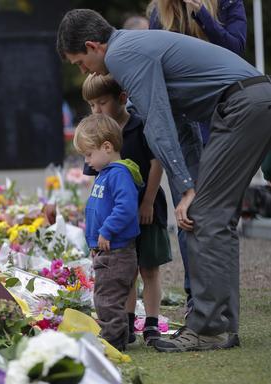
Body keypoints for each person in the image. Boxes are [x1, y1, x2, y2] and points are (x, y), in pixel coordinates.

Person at [57, 9, 271, 352]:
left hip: (241, 105)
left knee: (204, 215)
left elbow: (157, 122)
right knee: (215, 217)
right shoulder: (134, 46)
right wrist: (192, 183)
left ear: (92, 45)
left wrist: (187, 189)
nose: (85, 71)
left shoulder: (122, 54)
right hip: (250, 100)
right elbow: (179, 122)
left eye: (81, 62)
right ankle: (222, 325)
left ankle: (210, 328)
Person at [148, 0, 248, 314]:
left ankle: (223, 299)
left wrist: (203, 17)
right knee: (186, 214)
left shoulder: (229, 3)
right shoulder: (158, 11)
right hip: (182, 122)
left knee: (219, 216)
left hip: (222, 117)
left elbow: (235, 49)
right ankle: (196, 297)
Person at [81, 73, 171, 346]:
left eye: (101, 102)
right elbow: (97, 182)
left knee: (149, 268)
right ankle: (128, 323)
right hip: (117, 221)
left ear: (121, 98)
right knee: (126, 271)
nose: (97, 110)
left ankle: (152, 324)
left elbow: (157, 163)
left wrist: (147, 202)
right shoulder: (97, 138)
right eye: (91, 105)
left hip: (147, 208)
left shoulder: (139, 127)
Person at [74, 114, 141, 351]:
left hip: (117, 250)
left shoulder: (119, 174)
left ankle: (112, 341)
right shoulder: (105, 173)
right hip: (107, 250)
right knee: (105, 295)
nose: (87, 160)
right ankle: (118, 338)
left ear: (107, 147)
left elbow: (126, 207)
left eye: (89, 154)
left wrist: (107, 231)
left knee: (107, 299)